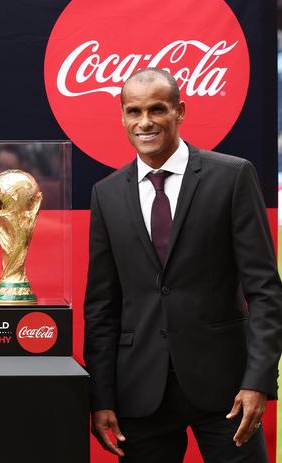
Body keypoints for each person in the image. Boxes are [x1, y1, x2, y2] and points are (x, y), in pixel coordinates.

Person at [84, 68, 282, 462]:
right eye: (133, 111)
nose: (145, 122)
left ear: (180, 111)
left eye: (157, 109)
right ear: (122, 116)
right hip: (139, 393)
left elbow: (265, 291)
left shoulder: (232, 176)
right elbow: (101, 307)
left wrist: (257, 381)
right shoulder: (106, 194)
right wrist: (101, 398)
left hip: (228, 391)